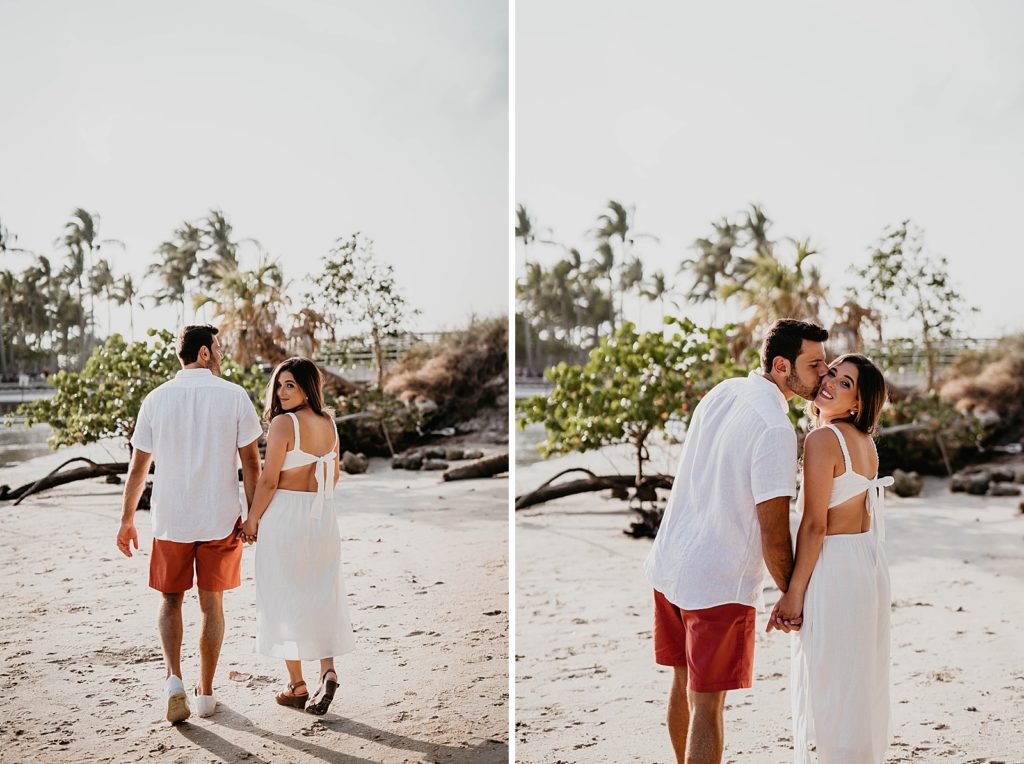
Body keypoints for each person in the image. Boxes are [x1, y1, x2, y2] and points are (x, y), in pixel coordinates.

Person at [644, 318, 830, 764]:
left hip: (670, 561)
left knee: (682, 683)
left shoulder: (725, 391)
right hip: (717, 581)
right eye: (815, 364)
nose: (823, 374)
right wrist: (793, 595)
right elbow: (774, 533)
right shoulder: (774, 428)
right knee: (708, 704)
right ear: (783, 365)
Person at [116, 325, 263, 723]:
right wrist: (252, 516)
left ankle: (174, 681)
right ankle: (206, 693)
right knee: (211, 603)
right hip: (220, 520)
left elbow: (138, 466)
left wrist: (127, 519)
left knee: (170, 601)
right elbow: (251, 462)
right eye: (217, 347)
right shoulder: (233, 395)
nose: (220, 353)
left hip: (172, 520)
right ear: (202, 353)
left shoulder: (156, 399)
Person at [767, 354, 892, 763]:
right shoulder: (866, 443)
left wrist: (793, 593)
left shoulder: (823, 440)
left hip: (835, 569)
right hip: (864, 567)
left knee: (830, 685)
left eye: (844, 384)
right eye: (833, 373)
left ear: (857, 403)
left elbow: (814, 526)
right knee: (855, 681)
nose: (829, 382)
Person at [241, 357, 355, 715]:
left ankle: (296, 685)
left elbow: (270, 480)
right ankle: (328, 671)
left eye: (290, 384)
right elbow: (333, 479)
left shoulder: (282, 424)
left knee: (282, 596)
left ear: (308, 387)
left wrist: (252, 519)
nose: (281, 391)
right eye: (278, 385)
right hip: (321, 517)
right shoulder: (329, 424)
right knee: (321, 592)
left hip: (286, 516)